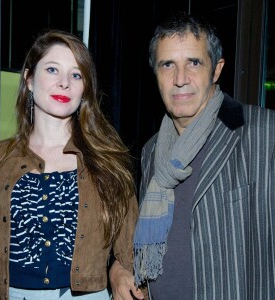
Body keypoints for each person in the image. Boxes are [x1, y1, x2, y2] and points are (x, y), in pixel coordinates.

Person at [109, 12, 275, 300]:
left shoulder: (263, 133)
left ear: (217, 69)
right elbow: (152, 242)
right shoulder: (151, 151)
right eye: (167, 65)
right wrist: (120, 270)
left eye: (194, 63)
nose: (180, 79)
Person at [0, 30, 139, 300]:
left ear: (84, 88)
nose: (64, 83)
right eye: (52, 69)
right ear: (29, 79)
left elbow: (131, 250)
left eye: (76, 75)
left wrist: (119, 272)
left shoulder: (109, 160)